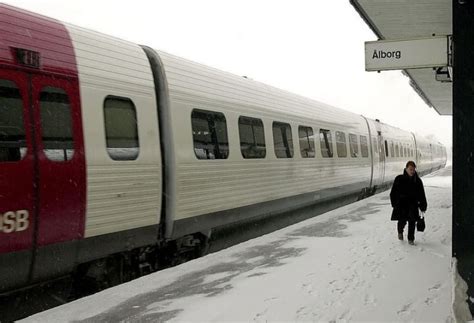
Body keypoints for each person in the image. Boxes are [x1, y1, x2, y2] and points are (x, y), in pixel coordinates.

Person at [390, 160, 427, 245]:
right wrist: (394, 204)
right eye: (410, 169)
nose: (412, 171)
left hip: (413, 205)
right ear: (406, 169)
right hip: (402, 205)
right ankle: (400, 231)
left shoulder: (417, 181)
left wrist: (423, 206)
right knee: (402, 221)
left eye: (413, 170)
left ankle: (411, 239)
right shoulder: (399, 179)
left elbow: (422, 194)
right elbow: (393, 193)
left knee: (412, 222)